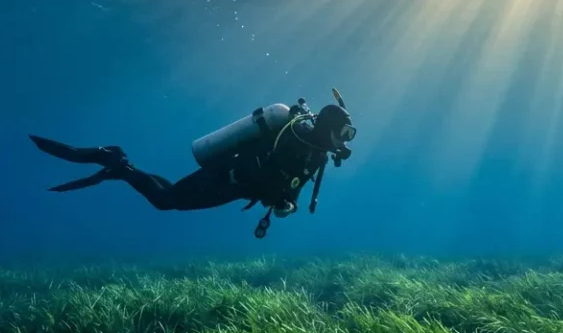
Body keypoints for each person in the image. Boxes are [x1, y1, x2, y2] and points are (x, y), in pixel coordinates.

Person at [30, 98, 355, 237]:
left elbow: (287, 187)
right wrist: (281, 201)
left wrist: (287, 201)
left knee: (169, 195)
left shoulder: (311, 150)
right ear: (327, 127)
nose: (345, 141)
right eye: (343, 133)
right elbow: (273, 180)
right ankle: (118, 164)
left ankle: (122, 166)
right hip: (226, 178)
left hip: (231, 182)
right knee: (164, 201)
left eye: (348, 135)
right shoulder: (299, 143)